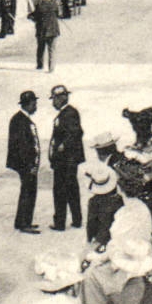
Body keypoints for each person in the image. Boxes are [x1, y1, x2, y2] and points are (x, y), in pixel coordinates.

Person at [47, 85, 85, 232]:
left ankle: (60, 222)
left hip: (66, 160)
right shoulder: (67, 113)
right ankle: (76, 219)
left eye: (54, 99)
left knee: (61, 190)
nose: (53, 103)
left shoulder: (69, 113)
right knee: (71, 189)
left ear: (61, 98)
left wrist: (62, 146)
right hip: (67, 160)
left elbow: (76, 133)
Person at [6, 90, 42, 233]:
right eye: (34, 104)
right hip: (25, 164)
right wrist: (30, 165)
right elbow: (23, 146)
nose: (36, 106)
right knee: (28, 192)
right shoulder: (21, 121)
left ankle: (23, 221)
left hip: (25, 164)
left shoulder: (20, 119)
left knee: (28, 191)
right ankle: (24, 223)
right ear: (27, 104)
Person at [30, 0, 59, 71]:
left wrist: (31, 17)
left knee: (40, 48)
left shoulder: (39, 6)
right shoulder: (54, 5)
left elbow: (35, 16)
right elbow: (57, 14)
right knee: (52, 49)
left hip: (41, 30)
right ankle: (51, 67)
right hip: (53, 30)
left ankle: (40, 65)